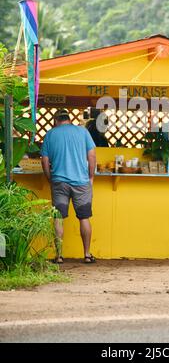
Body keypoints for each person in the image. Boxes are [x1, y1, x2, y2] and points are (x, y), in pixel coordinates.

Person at [41, 108, 97, 264]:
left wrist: (50, 179)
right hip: (81, 182)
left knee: (58, 218)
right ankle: (87, 254)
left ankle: (59, 256)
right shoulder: (82, 132)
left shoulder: (51, 134)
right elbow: (92, 156)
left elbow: (44, 161)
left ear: (55, 120)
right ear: (69, 119)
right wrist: (91, 176)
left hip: (59, 182)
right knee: (84, 217)